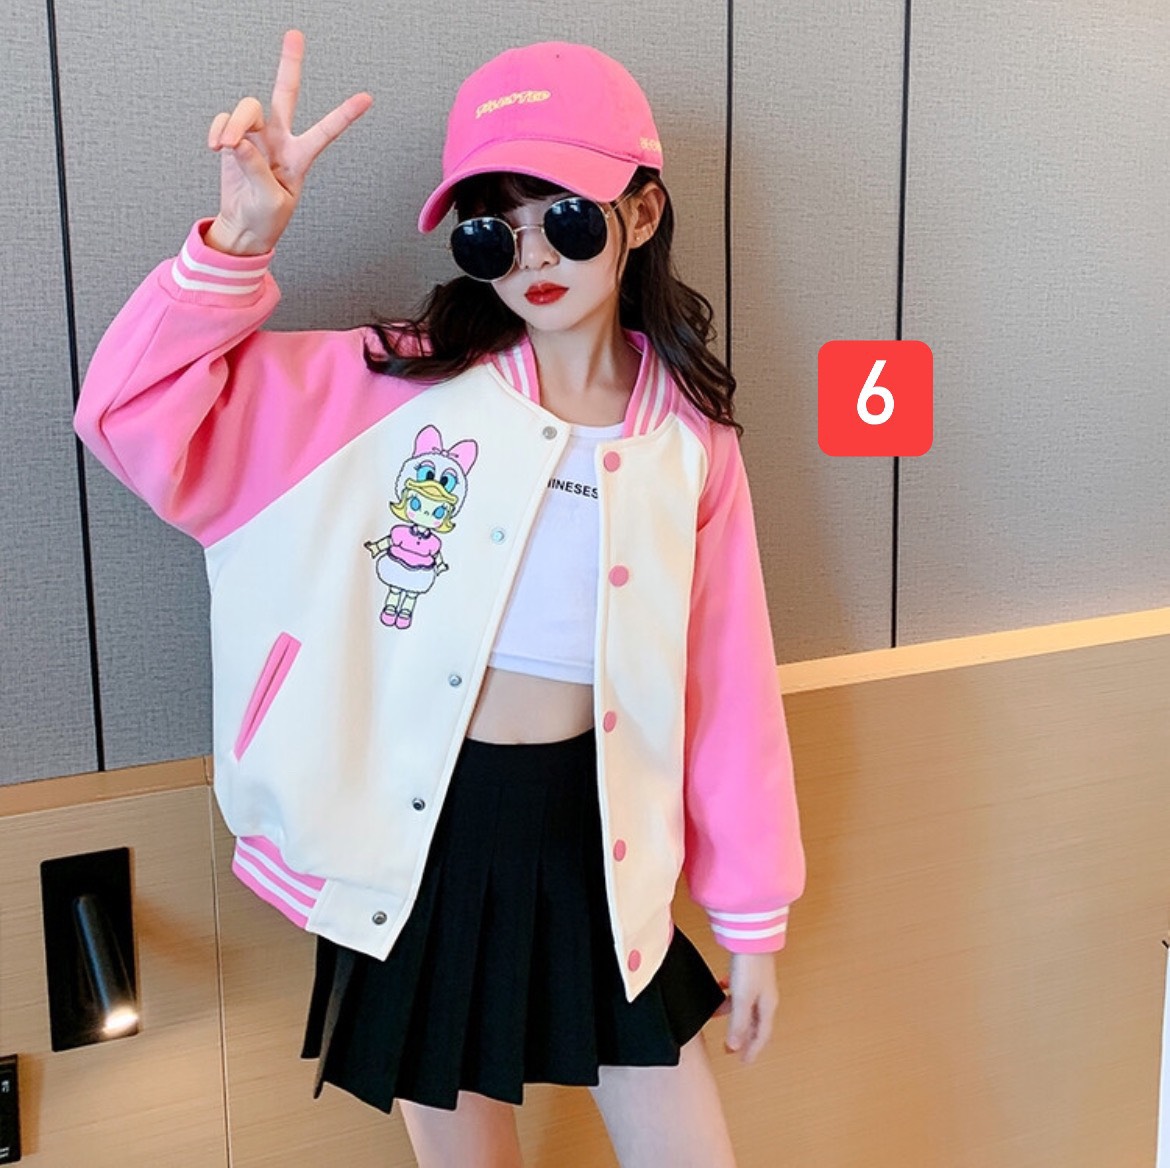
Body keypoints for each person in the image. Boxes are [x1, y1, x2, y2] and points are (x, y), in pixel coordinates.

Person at [74, 30, 806, 1168]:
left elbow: (729, 688)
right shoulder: (392, 385)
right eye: (489, 232)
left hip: (601, 838)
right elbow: (131, 419)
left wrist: (752, 919)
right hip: (415, 839)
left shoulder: (689, 444)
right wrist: (239, 245)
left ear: (642, 212)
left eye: (567, 218)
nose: (533, 258)